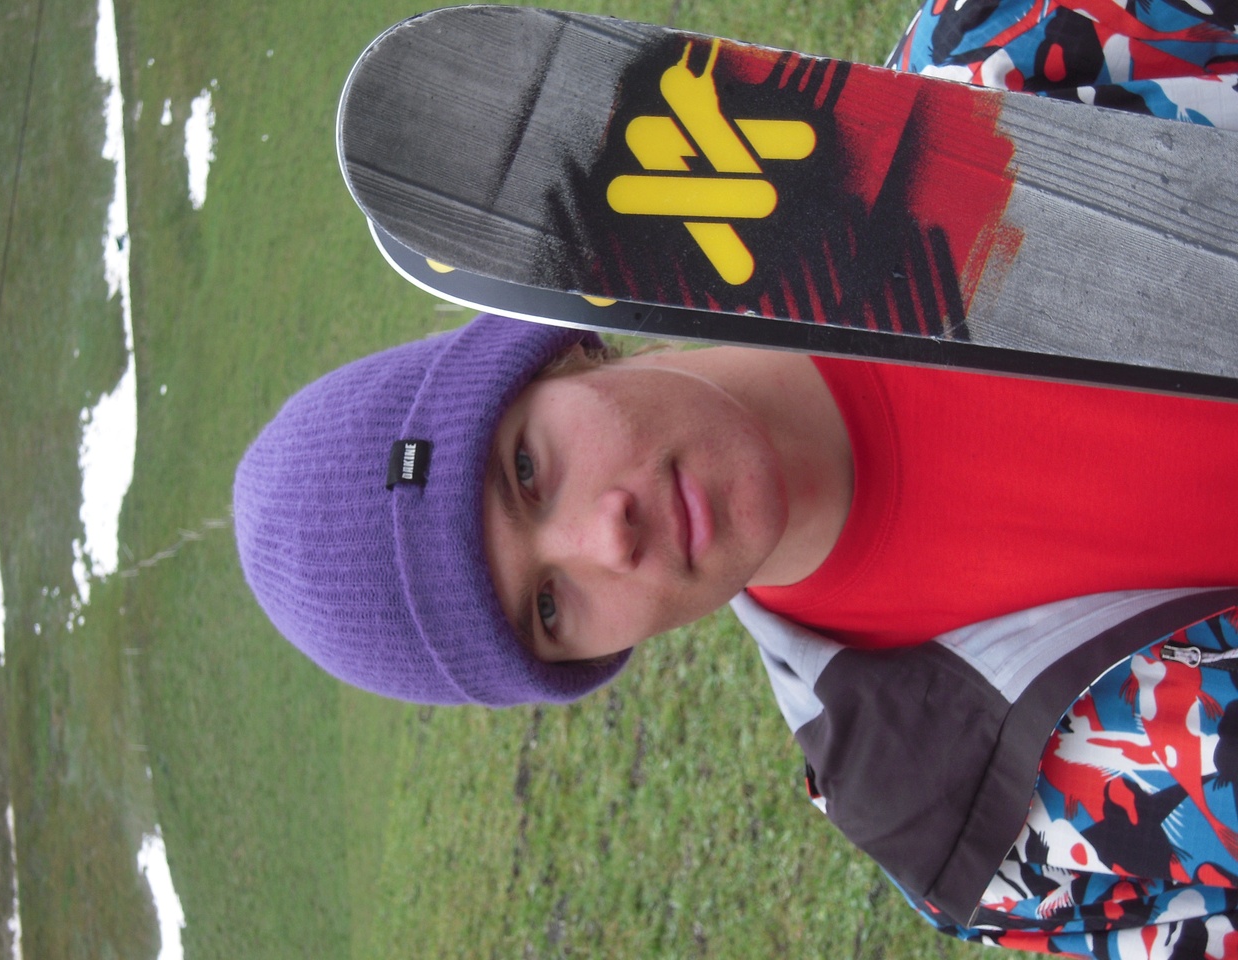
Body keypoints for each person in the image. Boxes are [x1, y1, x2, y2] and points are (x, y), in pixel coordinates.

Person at [234, 0, 1238, 955]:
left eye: (528, 471)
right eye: (547, 606)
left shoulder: (992, 71)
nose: (605, 538)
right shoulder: (955, 825)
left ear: (561, 354)